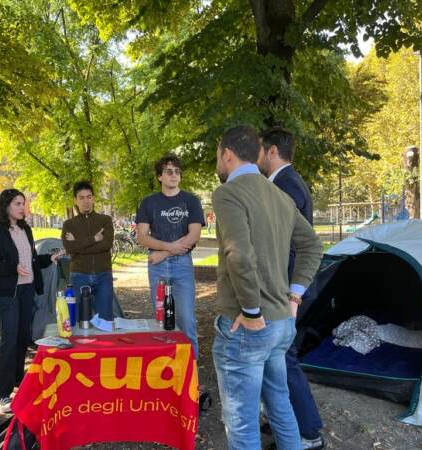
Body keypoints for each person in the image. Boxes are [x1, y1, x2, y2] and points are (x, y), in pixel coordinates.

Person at [211, 125, 322, 450]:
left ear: (227, 154)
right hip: (281, 325)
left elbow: (239, 253)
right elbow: (313, 246)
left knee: (243, 425)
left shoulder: (228, 193)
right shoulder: (279, 195)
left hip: (249, 327)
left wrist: (250, 310)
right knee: (280, 408)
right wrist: (294, 295)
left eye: (218, 156)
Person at [258, 127, 324, 450]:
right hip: (286, 289)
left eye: (259, 150)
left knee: (286, 357)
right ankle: (284, 420)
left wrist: (289, 293)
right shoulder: (286, 183)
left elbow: (292, 244)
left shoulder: (286, 186)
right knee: (278, 355)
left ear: (271, 151)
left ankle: (310, 433)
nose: (256, 156)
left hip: (289, 291)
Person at [0, 189, 62, 413]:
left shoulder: (25, 228)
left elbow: (31, 260)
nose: (22, 208)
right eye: (17, 203)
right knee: (8, 339)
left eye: (23, 203)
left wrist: (48, 259)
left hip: (27, 290)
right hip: (6, 292)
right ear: (6, 205)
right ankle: (1, 393)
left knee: (23, 336)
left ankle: (17, 381)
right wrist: (11, 268)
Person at [136, 155, 204, 358]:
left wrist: (165, 252)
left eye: (177, 171)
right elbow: (142, 237)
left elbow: (194, 235)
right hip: (157, 267)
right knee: (161, 319)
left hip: (182, 264)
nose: (174, 175)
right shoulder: (149, 202)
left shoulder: (191, 201)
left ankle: (191, 375)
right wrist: (168, 248)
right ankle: (165, 370)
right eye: (168, 171)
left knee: (186, 319)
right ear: (159, 176)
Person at [61, 181, 115, 321]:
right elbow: (69, 248)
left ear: (94, 198)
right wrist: (94, 239)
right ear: (75, 200)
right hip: (79, 275)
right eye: (81, 197)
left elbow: (106, 245)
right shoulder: (69, 224)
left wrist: (78, 244)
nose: (86, 201)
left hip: (103, 274)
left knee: (105, 320)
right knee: (79, 320)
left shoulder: (105, 220)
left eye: (89, 197)